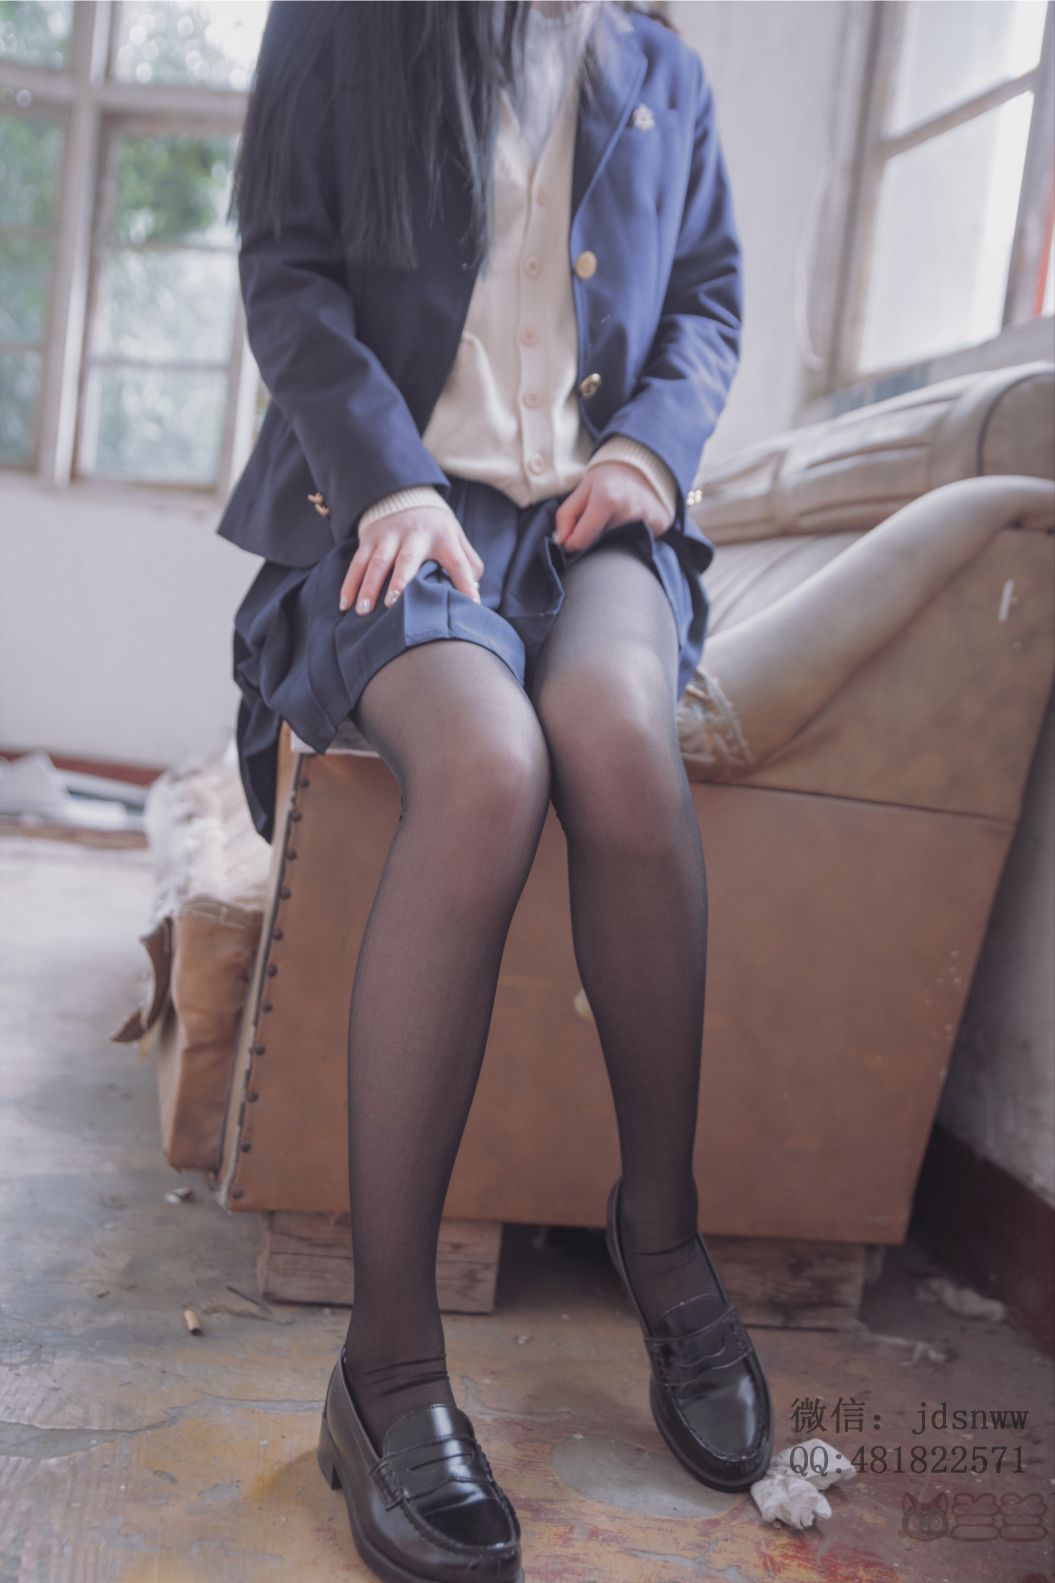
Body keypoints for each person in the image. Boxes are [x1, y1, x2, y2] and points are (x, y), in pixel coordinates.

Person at [220, 2, 772, 1578]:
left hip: (594, 528)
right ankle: (387, 1367)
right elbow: (285, 264)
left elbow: (710, 294)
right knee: (487, 769)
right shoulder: (344, 22)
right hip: (389, 512)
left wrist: (650, 452)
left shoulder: (660, 65)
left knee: (615, 738)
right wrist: (386, 477)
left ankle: (661, 1235)